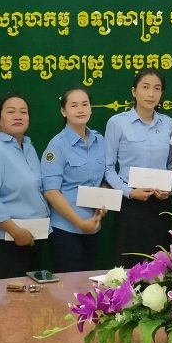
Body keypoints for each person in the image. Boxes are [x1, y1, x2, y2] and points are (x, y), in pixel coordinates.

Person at [104, 69, 172, 266]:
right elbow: (108, 168)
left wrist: (170, 188)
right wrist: (129, 192)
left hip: (161, 204)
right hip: (130, 205)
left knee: (160, 266)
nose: (151, 94)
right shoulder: (117, 123)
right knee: (129, 265)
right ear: (134, 91)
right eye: (145, 87)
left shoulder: (168, 123)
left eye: (157, 88)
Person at [0, 93, 50, 280]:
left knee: (31, 295)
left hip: (33, 236)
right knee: (5, 296)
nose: (18, 116)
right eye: (11, 112)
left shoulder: (29, 148)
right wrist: (16, 232)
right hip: (4, 240)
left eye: (23, 112)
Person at [42, 87, 106, 273]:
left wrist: (103, 202)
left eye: (85, 104)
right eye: (74, 105)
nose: (80, 110)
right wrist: (80, 223)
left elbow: (104, 177)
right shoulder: (57, 146)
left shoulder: (99, 140)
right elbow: (51, 192)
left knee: (90, 284)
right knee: (69, 286)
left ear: (91, 108)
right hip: (66, 230)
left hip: (93, 226)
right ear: (64, 111)